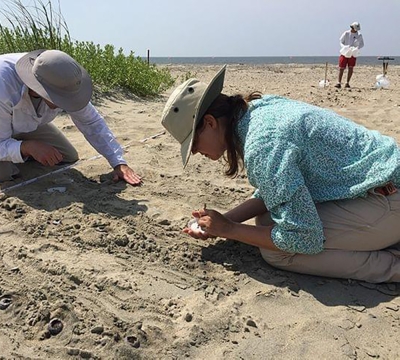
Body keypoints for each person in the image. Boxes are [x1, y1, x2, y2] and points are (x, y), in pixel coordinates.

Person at [161, 66, 400, 283]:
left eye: (193, 145)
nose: (196, 152)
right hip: (380, 184)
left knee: (278, 253)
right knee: (266, 221)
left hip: (389, 200)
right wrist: (223, 221)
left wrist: (229, 230)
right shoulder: (257, 110)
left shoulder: (262, 145)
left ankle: (392, 266)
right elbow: (276, 189)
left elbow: (305, 236)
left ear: (211, 123)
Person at [0, 49, 142, 185]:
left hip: (23, 120)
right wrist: (28, 147)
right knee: (0, 174)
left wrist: (118, 162)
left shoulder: (62, 76)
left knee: (67, 157)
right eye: (59, 98)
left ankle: (17, 144)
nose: (66, 103)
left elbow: (91, 121)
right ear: (37, 87)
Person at [335, 21, 364, 89]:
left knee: (350, 67)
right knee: (341, 68)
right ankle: (339, 82)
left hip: (353, 53)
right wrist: (344, 47)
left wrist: (356, 48)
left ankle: (347, 83)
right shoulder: (346, 33)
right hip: (345, 52)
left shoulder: (359, 35)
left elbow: (362, 44)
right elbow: (341, 41)